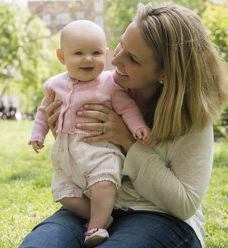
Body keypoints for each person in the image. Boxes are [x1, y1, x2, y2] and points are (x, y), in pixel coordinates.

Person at [21, 2, 228, 248]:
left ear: (164, 73)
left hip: (159, 215)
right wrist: (62, 131)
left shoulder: (191, 117)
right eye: (122, 44)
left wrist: (128, 142)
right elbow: (85, 154)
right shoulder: (97, 88)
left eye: (132, 58)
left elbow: (185, 204)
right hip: (94, 205)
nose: (116, 58)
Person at [28, 20, 151, 247]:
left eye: (95, 52)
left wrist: (137, 127)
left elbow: (127, 108)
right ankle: (100, 215)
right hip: (68, 153)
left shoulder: (109, 84)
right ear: (62, 57)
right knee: (65, 194)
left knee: (102, 184)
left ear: (105, 54)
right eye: (78, 53)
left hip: (99, 150)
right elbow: (44, 111)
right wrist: (38, 134)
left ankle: (97, 226)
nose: (88, 59)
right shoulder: (55, 85)